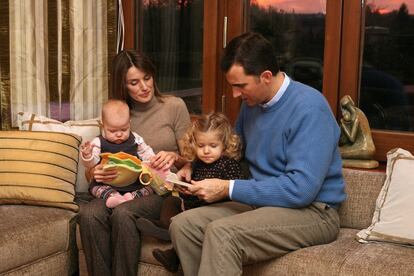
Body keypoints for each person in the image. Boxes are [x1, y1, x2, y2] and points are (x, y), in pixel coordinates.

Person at [169, 32, 346, 276]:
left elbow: (300, 190)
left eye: (240, 86)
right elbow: (233, 152)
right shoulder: (253, 105)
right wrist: (192, 166)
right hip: (260, 203)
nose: (235, 95)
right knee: (183, 225)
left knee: (223, 233)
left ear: (265, 77)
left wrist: (227, 188)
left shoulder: (310, 108)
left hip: (313, 212)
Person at [78, 50, 191, 276]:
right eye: (134, 82)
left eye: (147, 78)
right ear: (122, 84)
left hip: (158, 190)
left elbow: (191, 161)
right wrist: (96, 172)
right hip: (115, 188)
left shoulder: (174, 106)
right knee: (89, 215)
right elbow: (92, 173)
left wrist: (175, 157)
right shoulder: (116, 115)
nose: (144, 87)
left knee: (124, 213)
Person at [136, 112, 246, 272]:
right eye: (201, 146)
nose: (206, 151)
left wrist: (213, 193)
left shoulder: (228, 165)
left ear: (225, 144)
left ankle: (173, 251)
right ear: (194, 144)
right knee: (170, 201)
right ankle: (164, 227)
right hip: (190, 205)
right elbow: (189, 184)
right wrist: (183, 188)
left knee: (186, 225)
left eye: (213, 146)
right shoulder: (197, 163)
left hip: (211, 209)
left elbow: (232, 192)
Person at [80, 99, 158, 209]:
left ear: (129, 122)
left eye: (124, 129)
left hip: (133, 185)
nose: (119, 134)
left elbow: (146, 151)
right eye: (112, 131)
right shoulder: (97, 142)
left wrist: (152, 159)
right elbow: (91, 164)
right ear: (103, 125)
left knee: (150, 188)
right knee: (95, 188)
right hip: (108, 185)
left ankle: (132, 196)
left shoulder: (136, 138)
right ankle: (115, 197)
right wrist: (88, 155)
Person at [338, 95, 376, 160]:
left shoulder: (356, 117)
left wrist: (343, 125)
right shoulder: (358, 112)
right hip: (366, 147)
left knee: (336, 153)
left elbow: (352, 139)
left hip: (364, 149)